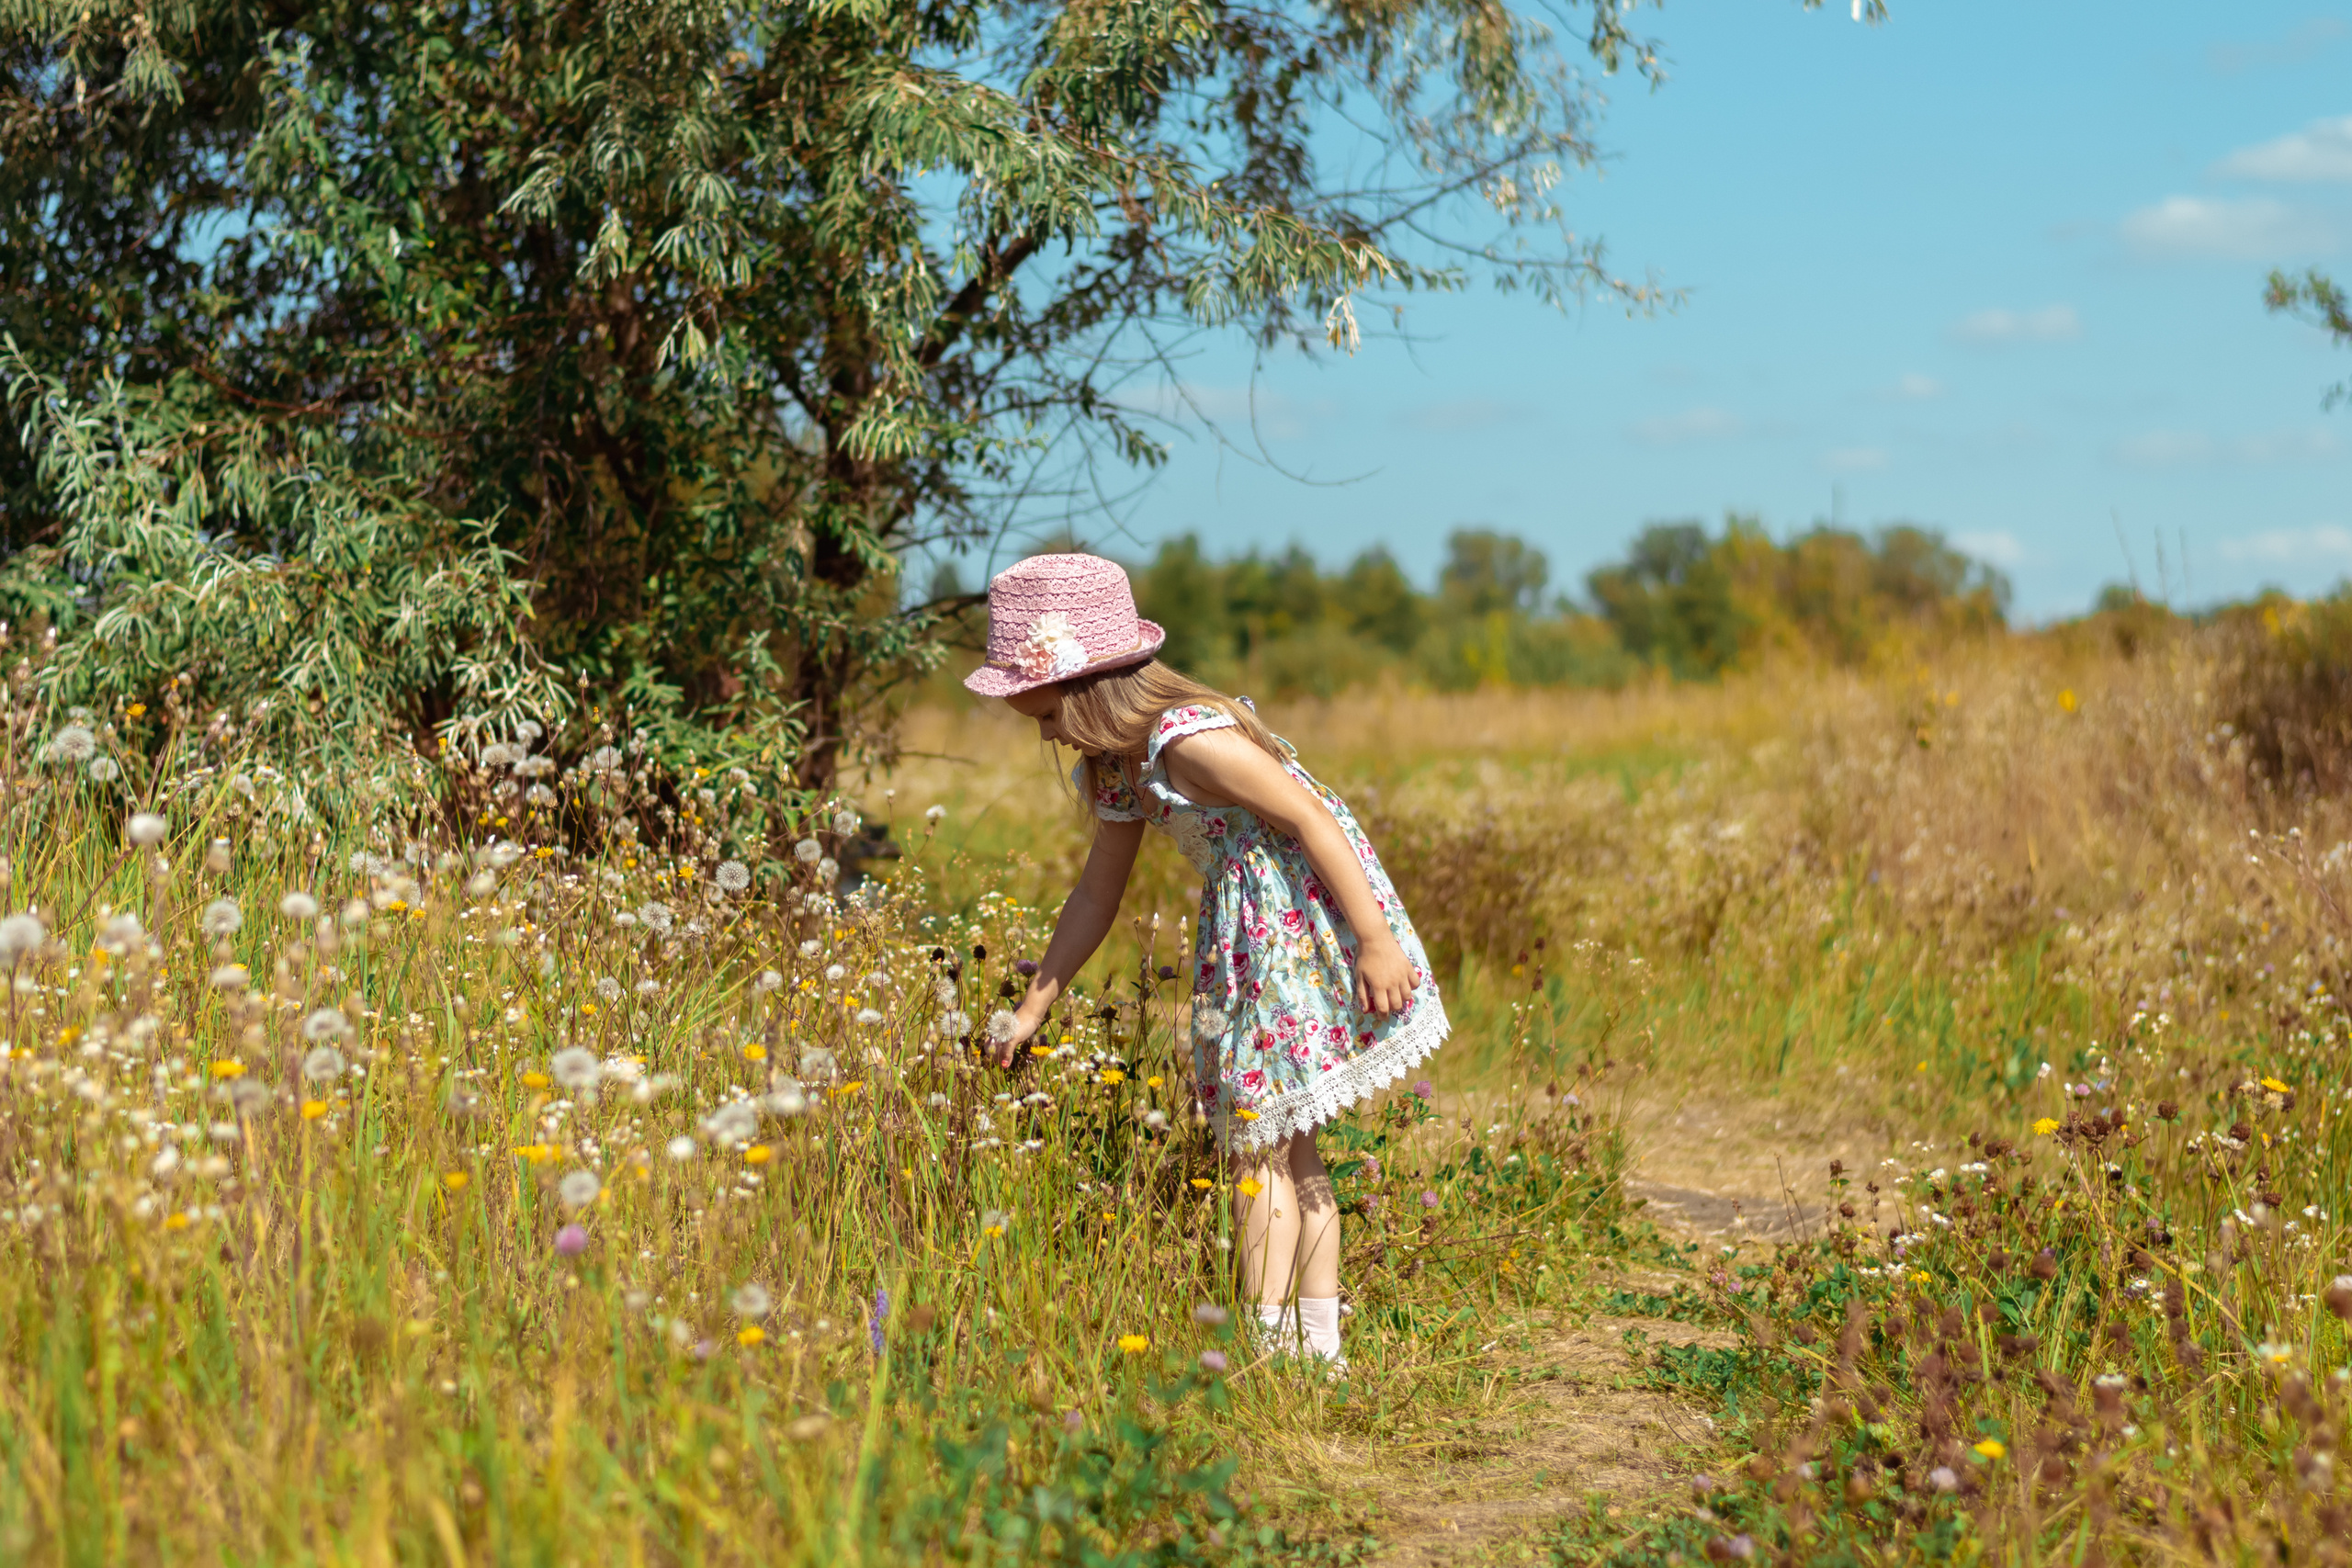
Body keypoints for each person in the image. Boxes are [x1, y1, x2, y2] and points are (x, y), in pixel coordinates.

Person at [966, 552, 1449, 1374]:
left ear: (1081, 689)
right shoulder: (1118, 764)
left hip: (1294, 936)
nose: (1043, 732)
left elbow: (1311, 818)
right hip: (1251, 939)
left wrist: (1374, 938)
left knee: (1255, 1150)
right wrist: (1035, 1003)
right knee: (1290, 1148)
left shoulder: (1189, 742)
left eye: (1041, 713)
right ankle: (1318, 1360)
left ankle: (1272, 1356)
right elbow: (1096, 892)